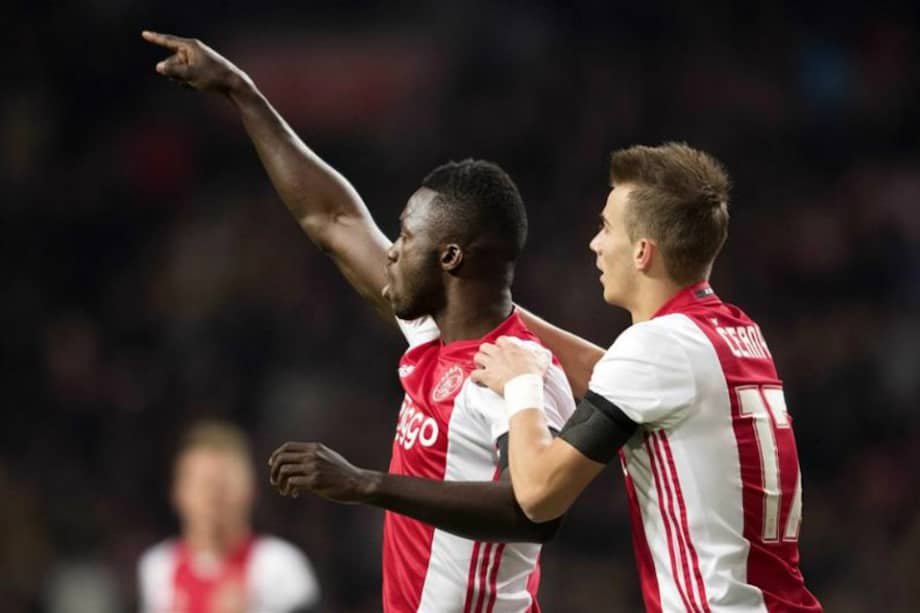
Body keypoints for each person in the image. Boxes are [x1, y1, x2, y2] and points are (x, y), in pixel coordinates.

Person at [141, 31, 576, 613]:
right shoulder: (432, 334)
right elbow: (333, 216)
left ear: (449, 257)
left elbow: (530, 513)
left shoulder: (520, 371)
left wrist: (364, 484)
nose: (391, 250)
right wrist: (239, 91)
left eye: (406, 237)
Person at [471, 143, 823, 612]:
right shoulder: (735, 332)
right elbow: (613, 377)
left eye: (606, 227)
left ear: (642, 252)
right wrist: (499, 313)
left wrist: (521, 385)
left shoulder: (658, 349)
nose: (595, 243)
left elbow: (538, 495)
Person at [138, 420, 320, 613]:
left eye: (224, 485)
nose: (213, 498)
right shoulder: (158, 568)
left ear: (251, 489)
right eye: (204, 484)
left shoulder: (280, 567)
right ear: (178, 493)